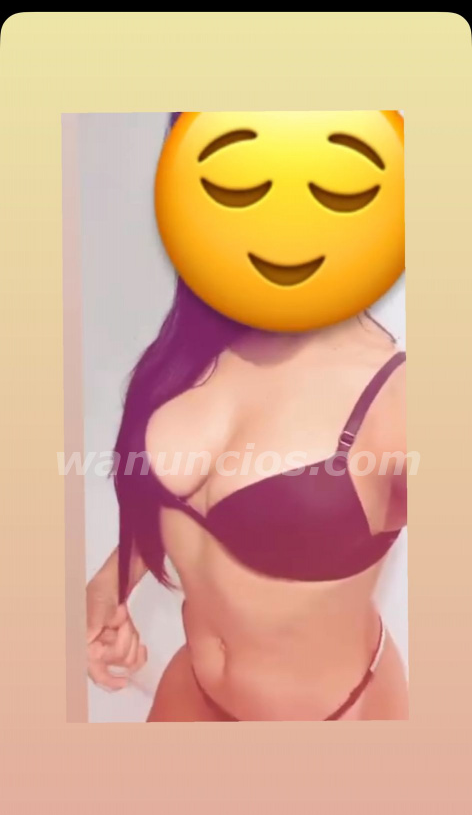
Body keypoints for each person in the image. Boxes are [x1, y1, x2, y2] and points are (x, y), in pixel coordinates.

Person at [86, 111, 408, 721]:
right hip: (189, 695)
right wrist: (110, 582)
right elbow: (166, 498)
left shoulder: (398, 399)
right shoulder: (193, 345)